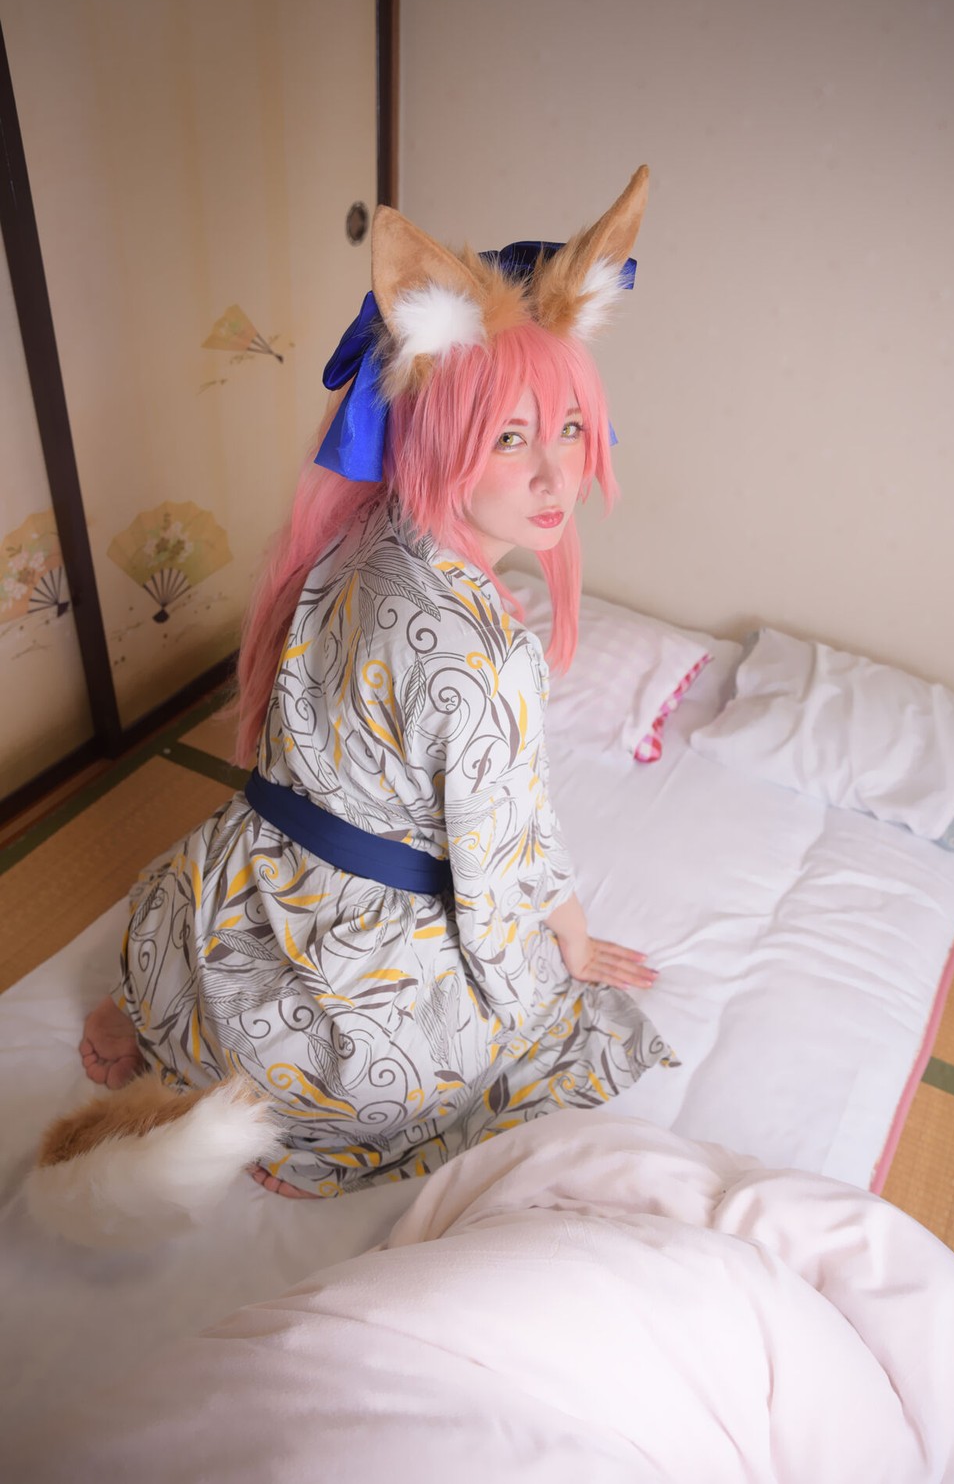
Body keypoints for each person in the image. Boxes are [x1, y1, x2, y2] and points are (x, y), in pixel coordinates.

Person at [60, 167, 668, 1210]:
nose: (556, 474)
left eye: (570, 428)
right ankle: (296, 1130)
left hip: (214, 919)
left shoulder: (359, 541)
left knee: (187, 915)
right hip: (347, 1001)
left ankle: (158, 1018)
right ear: (439, 433)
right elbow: (496, 872)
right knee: (524, 1029)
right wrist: (558, 949)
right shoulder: (484, 659)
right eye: (510, 437)